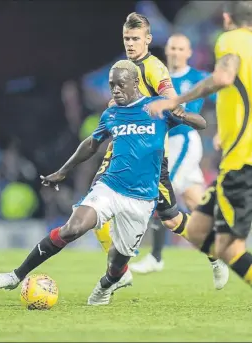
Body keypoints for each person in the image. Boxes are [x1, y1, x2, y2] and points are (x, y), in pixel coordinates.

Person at [0, 60, 206, 306]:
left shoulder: (156, 107)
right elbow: (91, 144)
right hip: (110, 187)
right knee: (73, 228)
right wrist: (63, 171)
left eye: (120, 84)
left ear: (135, 83)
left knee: (118, 264)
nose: (115, 90)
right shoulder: (111, 113)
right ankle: (16, 275)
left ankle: (106, 285)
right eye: (112, 85)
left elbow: (201, 123)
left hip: (142, 199)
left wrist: (180, 112)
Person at [91, 12, 228, 291]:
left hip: (169, 146)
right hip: (131, 150)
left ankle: (155, 256)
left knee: (169, 214)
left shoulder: (159, 70)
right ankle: (125, 270)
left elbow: (170, 101)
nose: (130, 43)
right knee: (95, 206)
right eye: (126, 38)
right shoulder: (126, 67)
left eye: (135, 39)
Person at [147, 1, 252, 289]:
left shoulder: (230, 39)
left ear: (227, 18)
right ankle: (207, 260)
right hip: (235, 159)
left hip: (242, 162)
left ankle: (157, 256)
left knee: (232, 248)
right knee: (196, 227)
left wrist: (175, 100)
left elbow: (222, 78)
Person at [129, 34, 227, 285]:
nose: (175, 52)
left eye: (180, 48)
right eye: (172, 47)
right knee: (195, 199)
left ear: (189, 52)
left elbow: (223, 100)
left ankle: (157, 256)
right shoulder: (158, 79)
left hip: (184, 140)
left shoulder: (196, 78)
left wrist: (223, 132)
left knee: (159, 191)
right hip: (163, 142)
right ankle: (222, 243)